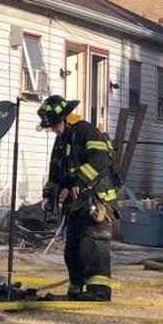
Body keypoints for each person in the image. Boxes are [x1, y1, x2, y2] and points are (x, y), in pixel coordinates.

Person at [37, 95, 119, 301]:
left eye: (55, 124)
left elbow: (100, 160)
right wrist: (49, 195)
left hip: (96, 198)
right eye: (51, 127)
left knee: (91, 243)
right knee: (72, 248)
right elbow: (55, 172)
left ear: (65, 118)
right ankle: (76, 289)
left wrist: (80, 180)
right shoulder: (60, 140)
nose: (54, 129)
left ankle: (98, 291)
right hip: (76, 203)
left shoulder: (85, 130)